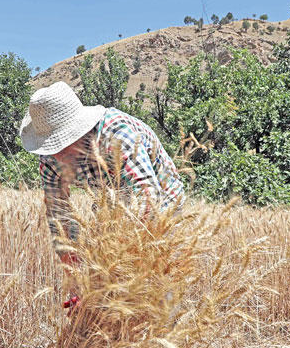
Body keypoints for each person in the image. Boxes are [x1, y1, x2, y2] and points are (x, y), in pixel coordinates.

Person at [19, 81, 185, 266]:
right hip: (109, 199)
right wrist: (75, 267)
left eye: (62, 146)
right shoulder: (49, 158)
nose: (57, 155)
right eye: (51, 146)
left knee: (155, 270)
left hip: (162, 196)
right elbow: (58, 214)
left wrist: (117, 258)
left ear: (80, 132)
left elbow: (149, 202)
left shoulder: (117, 135)